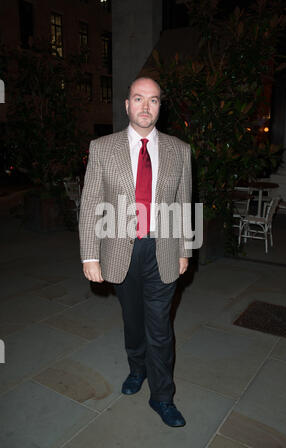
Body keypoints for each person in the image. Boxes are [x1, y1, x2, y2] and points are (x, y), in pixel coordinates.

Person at [79, 77, 192, 427]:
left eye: (154, 100)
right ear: (127, 104)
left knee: (160, 327)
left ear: (161, 106)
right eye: (139, 99)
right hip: (119, 250)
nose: (146, 106)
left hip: (163, 248)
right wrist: (89, 255)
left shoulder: (179, 150)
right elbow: (91, 204)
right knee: (133, 320)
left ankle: (162, 397)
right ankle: (136, 368)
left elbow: (183, 203)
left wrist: (185, 248)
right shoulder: (102, 147)